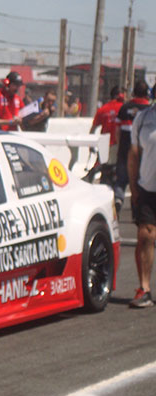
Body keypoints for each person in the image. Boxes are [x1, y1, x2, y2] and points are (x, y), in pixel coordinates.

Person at [127, 103, 156, 308]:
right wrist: (133, 186)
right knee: (145, 236)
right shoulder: (143, 118)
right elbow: (134, 154)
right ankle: (144, 288)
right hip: (147, 188)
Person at [113, 80, 151, 213]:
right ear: (147, 94)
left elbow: (117, 130)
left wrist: (120, 146)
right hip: (142, 153)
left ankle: (118, 199)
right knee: (140, 182)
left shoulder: (124, 108)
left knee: (121, 180)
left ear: (134, 92)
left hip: (124, 149)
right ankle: (137, 208)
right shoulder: (148, 110)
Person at [75, 86, 126, 176]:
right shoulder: (124, 108)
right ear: (119, 95)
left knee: (103, 168)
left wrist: (91, 145)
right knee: (116, 170)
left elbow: (93, 129)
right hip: (118, 145)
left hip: (104, 144)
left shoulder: (103, 109)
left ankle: (93, 176)